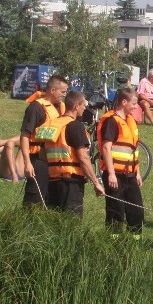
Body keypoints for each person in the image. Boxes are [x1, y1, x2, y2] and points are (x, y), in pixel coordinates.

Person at [41, 90, 105, 214]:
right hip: (71, 184)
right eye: (83, 106)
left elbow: (42, 154)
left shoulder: (52, 124)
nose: (84, 109)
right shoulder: (75, 126)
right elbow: (83, 158)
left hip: (52, 182)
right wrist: (96, 183)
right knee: (71, 224)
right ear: (76, 106)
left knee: (53, 223)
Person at [98, 87, 144, 236]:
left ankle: (134, 243)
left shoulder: (130, 120)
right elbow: (106, 148)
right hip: (115, 174)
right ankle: (113, 242)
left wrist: (137, 172)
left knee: (137, 211)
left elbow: (133, 149)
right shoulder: (112, 121)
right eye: (134, 103)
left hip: (130, 174)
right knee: (115, 212)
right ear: (124, 102)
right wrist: (111, 173)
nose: (136, 106)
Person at [19, 74, 67, 206]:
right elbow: (24, 136)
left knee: (51, 201)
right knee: (34, 201)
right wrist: (27, 163)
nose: (64, 95)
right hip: (38, 161)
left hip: (54, 162)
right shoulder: (36, 108)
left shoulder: (60, 108)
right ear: (52, 90)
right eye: (62, 92)